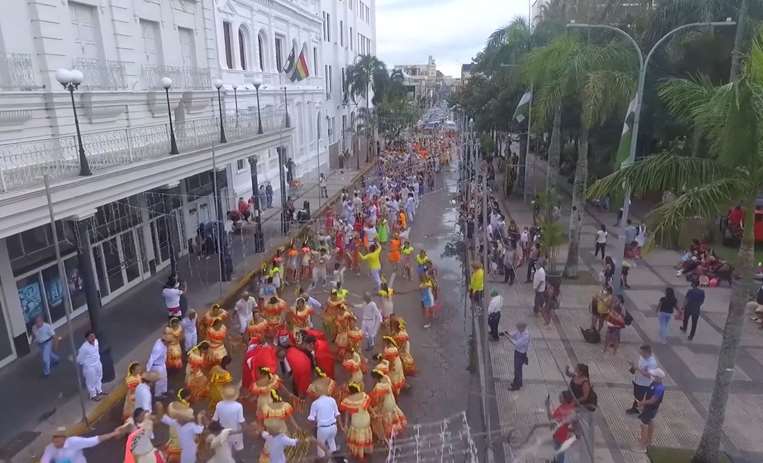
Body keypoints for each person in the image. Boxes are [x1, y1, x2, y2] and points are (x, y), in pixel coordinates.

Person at [41, 425, 124, 463]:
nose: (55, 444)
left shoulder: (74, 442)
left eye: (58, 441)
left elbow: (95, 440)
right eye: (54, 441)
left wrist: (113, 434)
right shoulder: (50, 448)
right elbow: (45, 460)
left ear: (64, 438)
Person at [307, 378, 341, 458]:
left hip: (322, 429)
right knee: (332, 442)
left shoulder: (315, 403)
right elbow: (337, 414)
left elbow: (311, 419)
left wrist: (310, 430)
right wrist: (340, 426)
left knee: (320, 448)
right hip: (333, 427)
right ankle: (334, 458)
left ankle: (322, 460)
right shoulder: (332, 400)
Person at [340, 382, 373, 460]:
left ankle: (360, 455)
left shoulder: (347, 401)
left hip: (357, 422)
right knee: (365, 436)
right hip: (366, 420)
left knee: (358, 439)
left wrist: (345, 425)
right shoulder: (364, 395)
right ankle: (365, 451)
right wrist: (374, 414)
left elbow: (347, 414)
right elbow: (369, 407)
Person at [637, 368, 666, 451]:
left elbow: (653, 400)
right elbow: (646, 374)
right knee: (650, 421)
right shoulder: (655, 382)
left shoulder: (659, 388)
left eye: (654, 375)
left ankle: (642, 445)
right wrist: (637, 368)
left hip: (651, 408)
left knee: (643, 424)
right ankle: (649, 441)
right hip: (649, 407)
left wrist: (642, 403)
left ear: (658, 377)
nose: (652, 376)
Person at [212, 384, 246, 456]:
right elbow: (241, 420)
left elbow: (215, 419)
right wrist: (244, 428)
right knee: (234, 446)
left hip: (223, 430)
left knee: (225, 446)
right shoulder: (238, 406)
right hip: (235, 431)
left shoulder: (219, 404)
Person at [627, 345, 658, 415]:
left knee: (639, 396)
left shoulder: (652, 363)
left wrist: (638, 369)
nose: (640, 354)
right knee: (636, 395)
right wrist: (633, 366)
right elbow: (638, 366)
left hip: (644, 384)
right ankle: (636, 408)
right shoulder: (642, 357)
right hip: (637, 380)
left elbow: (649, 376)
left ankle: (637, 409)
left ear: (646, 352)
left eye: (641, 352)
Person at [547, 391, 577, 463]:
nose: (559, 397)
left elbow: (551, 419)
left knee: (560, 453)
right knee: (559, 452)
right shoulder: (568, 408)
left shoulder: (564, 410)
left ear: (565, 399)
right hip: (560, 435)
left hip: (560, 436)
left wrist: (547, 406)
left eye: (561, 397)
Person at [77, 330, 103, 401]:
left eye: (93, 336)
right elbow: (79, 359)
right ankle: (93, 395)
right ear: (87, 338)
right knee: (91, 381)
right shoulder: (83, 348)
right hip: (90, 367)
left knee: (99, 377)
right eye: (91, 337)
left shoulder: (96, 342)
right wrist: (86, 364)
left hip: (97, 363)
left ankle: (99, 390)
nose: (93, 338)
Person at [146, 334, 170, 399]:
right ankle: (158, 395)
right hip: (157, 366)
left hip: (162, 364)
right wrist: (148, 370)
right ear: (164, 341)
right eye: (168, 342)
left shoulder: (161, 341)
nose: (169, 344)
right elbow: (152, 358)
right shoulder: (158, 348)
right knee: (159, 381)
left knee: (164, 378)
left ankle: (164, 391)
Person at [508, 322, 530, 391]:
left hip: (520, 354)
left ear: (523, 328)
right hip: (517, 352)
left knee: (517, 369)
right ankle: (518, 382)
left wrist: (509, 338)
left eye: (518, 328)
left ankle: (516, 385)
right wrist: (508, 334)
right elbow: (514, 334)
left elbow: (517, 343)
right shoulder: (520, 331)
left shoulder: (526, 336)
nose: (517, 329)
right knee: (517, 369)